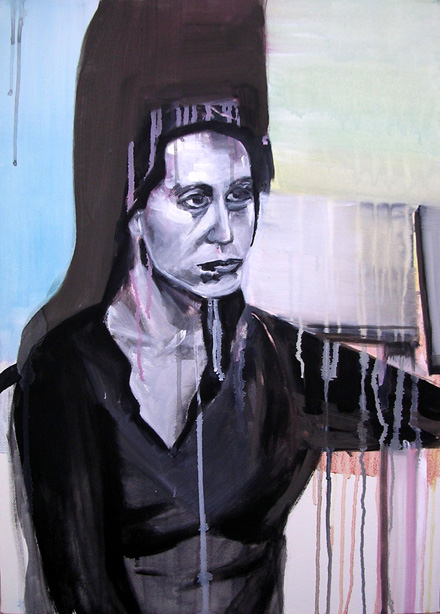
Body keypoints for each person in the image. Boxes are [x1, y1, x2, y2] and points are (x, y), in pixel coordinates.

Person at [5, 2, 440, 614]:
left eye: (239, 197)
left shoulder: (278, 361)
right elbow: (81, 591)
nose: (226, 233)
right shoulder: (64, 374)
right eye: (193, 199)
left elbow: (419, 412)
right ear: (134, 208)